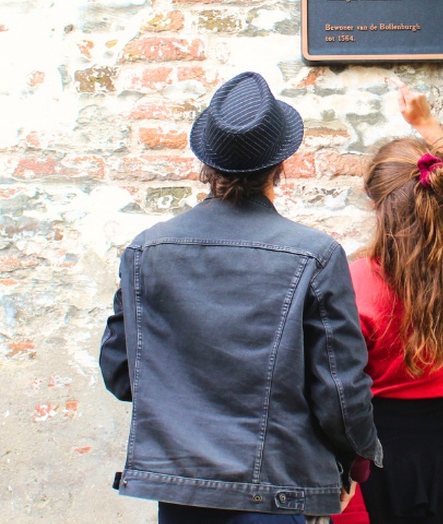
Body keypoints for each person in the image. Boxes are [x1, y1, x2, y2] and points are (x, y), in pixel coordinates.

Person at [99, 71, 382, 524]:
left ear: (206, 164)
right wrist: (357, 462)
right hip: (278, 493)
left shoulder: (145, 251)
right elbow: (340, 393)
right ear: (280, 165)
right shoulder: (314, 255)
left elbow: (120, 374)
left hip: (182, 494)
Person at [334, 78, 443, 524]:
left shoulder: (353, 283)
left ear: (377, 205)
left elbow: (338, 386)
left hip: (382, 451)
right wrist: (429, 125)